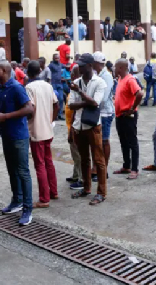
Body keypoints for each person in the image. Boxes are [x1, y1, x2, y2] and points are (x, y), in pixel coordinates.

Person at [0, 62, 35, 225]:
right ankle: (17, 201)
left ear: (4, 71)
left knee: (23, 171)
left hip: (18, 136)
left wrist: (6, 116)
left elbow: (29, 109)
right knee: (12, 170)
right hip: (7, 135)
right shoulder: (1, 88)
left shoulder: (16, 87)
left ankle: (27, 209)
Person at [67, 54, 108, 205]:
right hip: (79, 125)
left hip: (93, 126)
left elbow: (96, 103)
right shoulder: (76, 82)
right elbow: (71, 105)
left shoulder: (99, 82)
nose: (79, 67)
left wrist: (80, 94)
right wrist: (86, 102)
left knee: (98, 160)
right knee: (84, 159)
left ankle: (101, 193)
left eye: (82, 65)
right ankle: (86, 188)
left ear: (90, 65)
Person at [25, 61, 60, 208]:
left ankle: (44, 198)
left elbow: (30, 109)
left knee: (40, 164)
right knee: (48, 162)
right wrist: (50, 119)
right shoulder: (48, 85)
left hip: (36, 131)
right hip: (47, 129)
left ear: (28, 73)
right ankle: (53, 192)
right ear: (40, 71)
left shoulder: (29, 87)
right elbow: (56, 104)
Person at [112, 58, 143, 179]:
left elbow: (139, 94)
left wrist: (132, 108)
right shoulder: (120, 79)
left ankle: (134, 169)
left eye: (115, 67)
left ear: (121, 68)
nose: (114, 69)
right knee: (123, 141)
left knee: (132, 142)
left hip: (128, 115)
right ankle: (126, 166)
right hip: (120, 115)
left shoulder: (130, 79)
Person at [92, 52, 115, 181]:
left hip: (105, 112)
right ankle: (98, 168)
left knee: (104, 141)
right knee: (98, 143)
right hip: (99, 112)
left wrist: (92, 101)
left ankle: (104, 170)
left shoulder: (106, 76)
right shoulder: (98, 74)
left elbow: (104, 98)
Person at [66, 65, 85, 190]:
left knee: (79, 155)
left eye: (73, 73)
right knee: (75, 153)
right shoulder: (74, 88)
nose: (71, 75)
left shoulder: (79, 88)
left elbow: (75, 111)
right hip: (71, 126)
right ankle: (76, 174)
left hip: (75, 127)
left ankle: (81, 179)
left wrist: (72, 130)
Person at [49, 53, 65, 120]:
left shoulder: (61, 65)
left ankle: (60, 114)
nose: (57, 59)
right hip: (53, 84)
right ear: (53, 58)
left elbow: (66, 67)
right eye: (56, 58)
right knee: (54, 99)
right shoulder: (51, 65)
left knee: (61, 99)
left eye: (58, 58)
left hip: (60, 83)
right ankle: (54, 114)